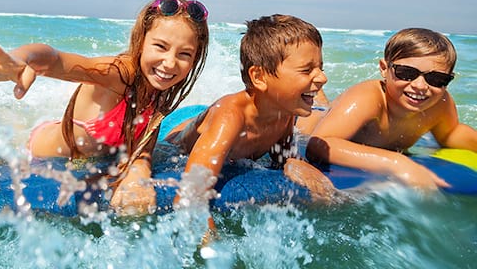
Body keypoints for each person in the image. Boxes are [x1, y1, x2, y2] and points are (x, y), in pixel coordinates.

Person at [0, 0, 210, 215]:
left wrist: (139, 169)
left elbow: (144, 144)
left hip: (90, 154)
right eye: (160, 47)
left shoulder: (158, 87)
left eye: (184, 54)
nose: (169, 63)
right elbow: (56, 59)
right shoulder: (118, 73)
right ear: (141, 41)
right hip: (41, 154)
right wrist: (21, 58)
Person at [165, 14, 336, 230]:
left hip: (208, 118)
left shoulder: (284, 113)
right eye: (307, 70)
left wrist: (294, 163)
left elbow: (283, 158)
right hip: (174, 136)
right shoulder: (231, 118)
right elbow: (190, 193)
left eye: (321, 67)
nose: (323, 78)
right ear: (259, 77)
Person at [306, 27, 477, 190]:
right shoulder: (368, 99)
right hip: (312, 124)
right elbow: (319, 143)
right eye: (407, 73)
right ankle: (317, 97)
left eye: (437, 79)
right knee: (320, 110)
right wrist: (397, 163)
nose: (420, 86)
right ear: (384, 68)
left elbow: (451, 134)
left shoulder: (440, 103)